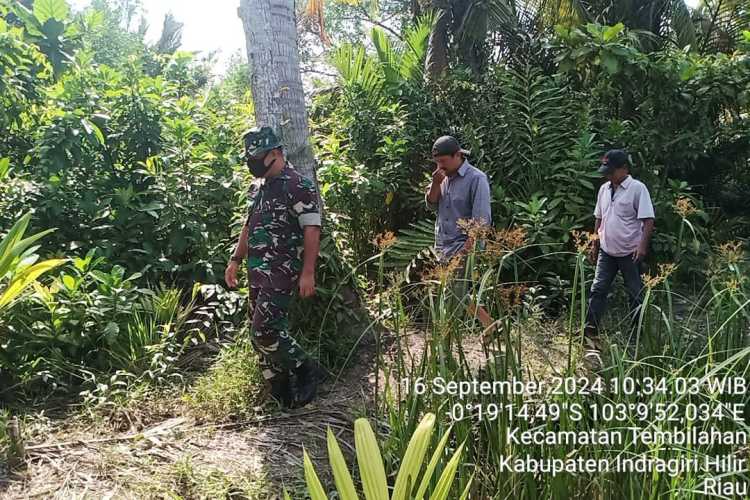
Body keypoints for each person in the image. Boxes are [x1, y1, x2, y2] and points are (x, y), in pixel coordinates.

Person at [225, 126, 324, 408]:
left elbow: (312, 230)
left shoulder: (298, 185)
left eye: (258, 156)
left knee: (264, 331)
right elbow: (248, 226)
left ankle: (306, 368)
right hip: (256, 271)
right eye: (250, 157)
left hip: (282, 271)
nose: (252, 162)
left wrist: (308, 273)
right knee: (256, 334)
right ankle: (280, 389)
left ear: (276, 153)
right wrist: (235, 260)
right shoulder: (258, 188)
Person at [585, 149, 655, 342]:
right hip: (607, 250)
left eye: (611, 171)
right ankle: (590, 330)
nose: (608, 175)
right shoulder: (604, 189)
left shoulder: (637, 189)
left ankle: (637, 335)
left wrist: (642, 247)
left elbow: (648, 220)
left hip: (630, 251)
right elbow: (599, 218)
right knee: (598, 289)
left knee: (634, 293)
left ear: (624, 168)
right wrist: (594, 243)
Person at [425, 135, 493, 327]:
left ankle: (450, 334)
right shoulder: (442, 177)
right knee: (455, 290)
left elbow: (481, 220)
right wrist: (436, 183)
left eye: (443, 162)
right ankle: (490, 325)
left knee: (454, 292)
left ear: (457, 155)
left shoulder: (476, 178)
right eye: (437, 162)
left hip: (462, 245)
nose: (440, 166)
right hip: (443, 245)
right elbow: (431, 205)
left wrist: (466, 250)